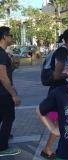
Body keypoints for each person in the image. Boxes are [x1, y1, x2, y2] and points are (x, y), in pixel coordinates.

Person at [40, 29, 68, 159]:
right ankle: (48, 149)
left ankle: (50, 148)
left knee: (65, 120)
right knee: (61, 121)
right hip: (61, 91)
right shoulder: (62, 52)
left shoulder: (65, 51)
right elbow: (57, 75)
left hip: (64, 90)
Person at [0, 26, 21, 156]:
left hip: (2, 91)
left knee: (1, 117)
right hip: (3, 92)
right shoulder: (2, 54)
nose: (12, 37)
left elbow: (5, 73)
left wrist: (13, 66)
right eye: (10, 35)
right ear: (4, 37)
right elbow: (2, 77)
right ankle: (3, 147)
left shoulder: (4, 54)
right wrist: (13, 95)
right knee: (9, 117)